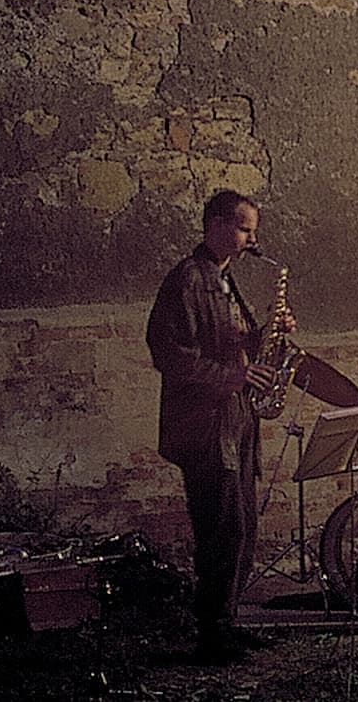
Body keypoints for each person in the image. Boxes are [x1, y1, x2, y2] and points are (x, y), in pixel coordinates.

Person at [146, 189, 292, 664]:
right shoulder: (188, 279)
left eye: (253, 229)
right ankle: (211, 633)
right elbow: (169, 353)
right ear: (216, 225)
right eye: (245, 228)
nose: (253, 238)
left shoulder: (224, 280)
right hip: (205, 426)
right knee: (221, 528)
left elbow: (232, 342)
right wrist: (236, 375)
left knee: (243, 525)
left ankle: (228, 622)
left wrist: (270, 331)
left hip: (236, 419)